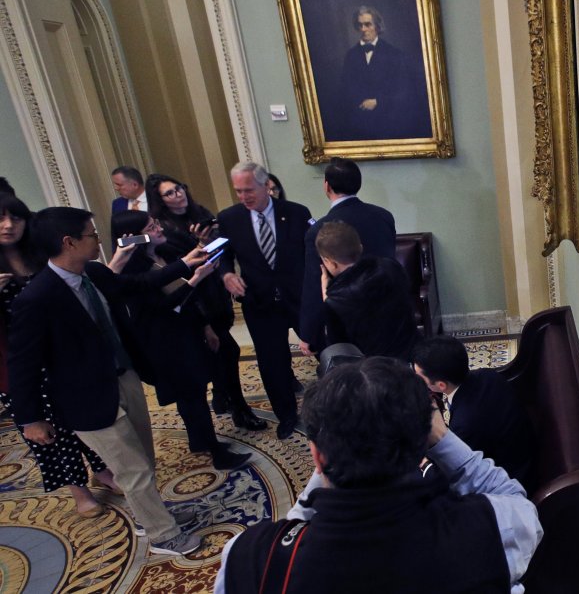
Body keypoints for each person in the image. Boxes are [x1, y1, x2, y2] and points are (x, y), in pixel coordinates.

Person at [215, 356, 542, 593]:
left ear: (316, 454)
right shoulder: (487, 529)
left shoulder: (251, 559)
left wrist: (329, 457)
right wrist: (441, 439)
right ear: (422, 445)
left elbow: (296, 526)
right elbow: (517, 501)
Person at [7, 207, 209, 555]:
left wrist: (185, 264)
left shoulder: (95, 273)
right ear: (68, 242)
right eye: (91, 234)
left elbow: (137, 284)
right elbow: (22, 362)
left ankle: (151, 516)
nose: (99, 240)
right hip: (86, 399)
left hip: (124, 377)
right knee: (131, 470)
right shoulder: (37, 298)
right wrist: (30, 418)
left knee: (143, 461)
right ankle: (164, 536)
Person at [0, 194, 119, 517]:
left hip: (61, 358)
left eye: (16, 218)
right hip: (18, 365)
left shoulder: (44, 256)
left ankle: (102, 470)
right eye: (0, 218)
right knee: (50, 435)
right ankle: (78, 490)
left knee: (87, 419)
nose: (8, 226)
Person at [108, 211, 251, 471]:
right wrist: (196, 278)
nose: (159, 228)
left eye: (155, 222)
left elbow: (188, 299)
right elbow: (162, 306)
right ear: (133, 237)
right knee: (191, 394)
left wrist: (206, 325)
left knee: (195, 389)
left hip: (187, 332)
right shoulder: (130, 273)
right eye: (151, 226)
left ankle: (199, 441)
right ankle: (215, 451)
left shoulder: (166, 252)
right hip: (165, 342)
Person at [146, 174, 266, 431]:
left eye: (179, 188)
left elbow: (222, 250)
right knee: (226, 351)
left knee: (221, 350)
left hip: (214, 289)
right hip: (193, 296)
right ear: (160, 200)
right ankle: (239, 408)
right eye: (169, 193)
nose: (177, 195)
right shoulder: (164, 230)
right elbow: (178, 267)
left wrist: (215, 249)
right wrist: (200, 244)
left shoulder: (200, 213)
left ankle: (222, 396)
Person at [217, 161, 312, 439]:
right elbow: (222, 256)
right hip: (259, 302)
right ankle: (287, 416)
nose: (244, 197)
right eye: (238, 191)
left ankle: (334, 408)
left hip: (298, 298)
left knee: (321, 347)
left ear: (266, 186)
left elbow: (312, 252)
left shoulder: (295, 213)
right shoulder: (229, 218)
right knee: (272, 363)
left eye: (249, 190)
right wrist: (225, 276)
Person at [298, 157, 397, 355]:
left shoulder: (319, 230)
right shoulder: (383, 216)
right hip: (387, 309)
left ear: (327, 186)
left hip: (347, 318)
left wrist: (308, 333)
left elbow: (313, 284)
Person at [412, 335, 535, 491]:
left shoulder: (464, 425)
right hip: (523, 452)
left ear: (441, 385)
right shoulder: (487, 375)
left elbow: (454, 469)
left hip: (513, 481)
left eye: (418, 377)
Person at [314, 221, 417, 361]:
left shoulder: (335, 301)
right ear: (360, 247)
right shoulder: (390, 266)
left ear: (330, 262)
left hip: (376, 367)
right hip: (414, 350)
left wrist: (327, 297)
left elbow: (340, 348)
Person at [330, 5, 432, 142]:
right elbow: (345, 88)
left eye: (367, 24)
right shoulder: (351, 55)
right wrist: (359, 102)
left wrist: (377, 101)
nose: (363, 29)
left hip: (387, 121)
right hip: (358, 123)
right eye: (360, 25)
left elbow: (403, 90)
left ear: (377, 26)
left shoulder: (394, 54)